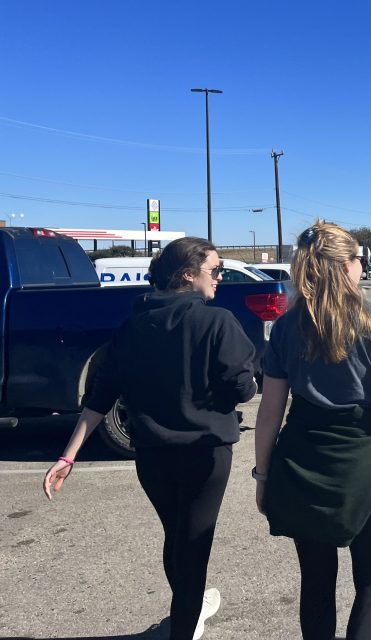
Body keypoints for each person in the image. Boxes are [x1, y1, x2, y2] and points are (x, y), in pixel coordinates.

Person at [43, 237, 257, 640]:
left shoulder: (130, 328)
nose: (221, 279)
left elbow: (98, 399)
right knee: (193, 547)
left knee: (177, 537)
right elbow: (243, 388)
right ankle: (186, 623)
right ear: (188, 275)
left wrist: (67, 457)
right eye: (215, 271)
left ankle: (187, 612)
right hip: (204, 457)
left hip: (152, 459)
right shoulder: (217, 322)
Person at [254, 220, 371, 640]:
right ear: (344, 266)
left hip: (303, 469)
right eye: (360, 258)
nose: (363, 265)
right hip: (368, 469)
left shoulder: (286, 327)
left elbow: (269, 412)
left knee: (317, 585)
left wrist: (263, 476)